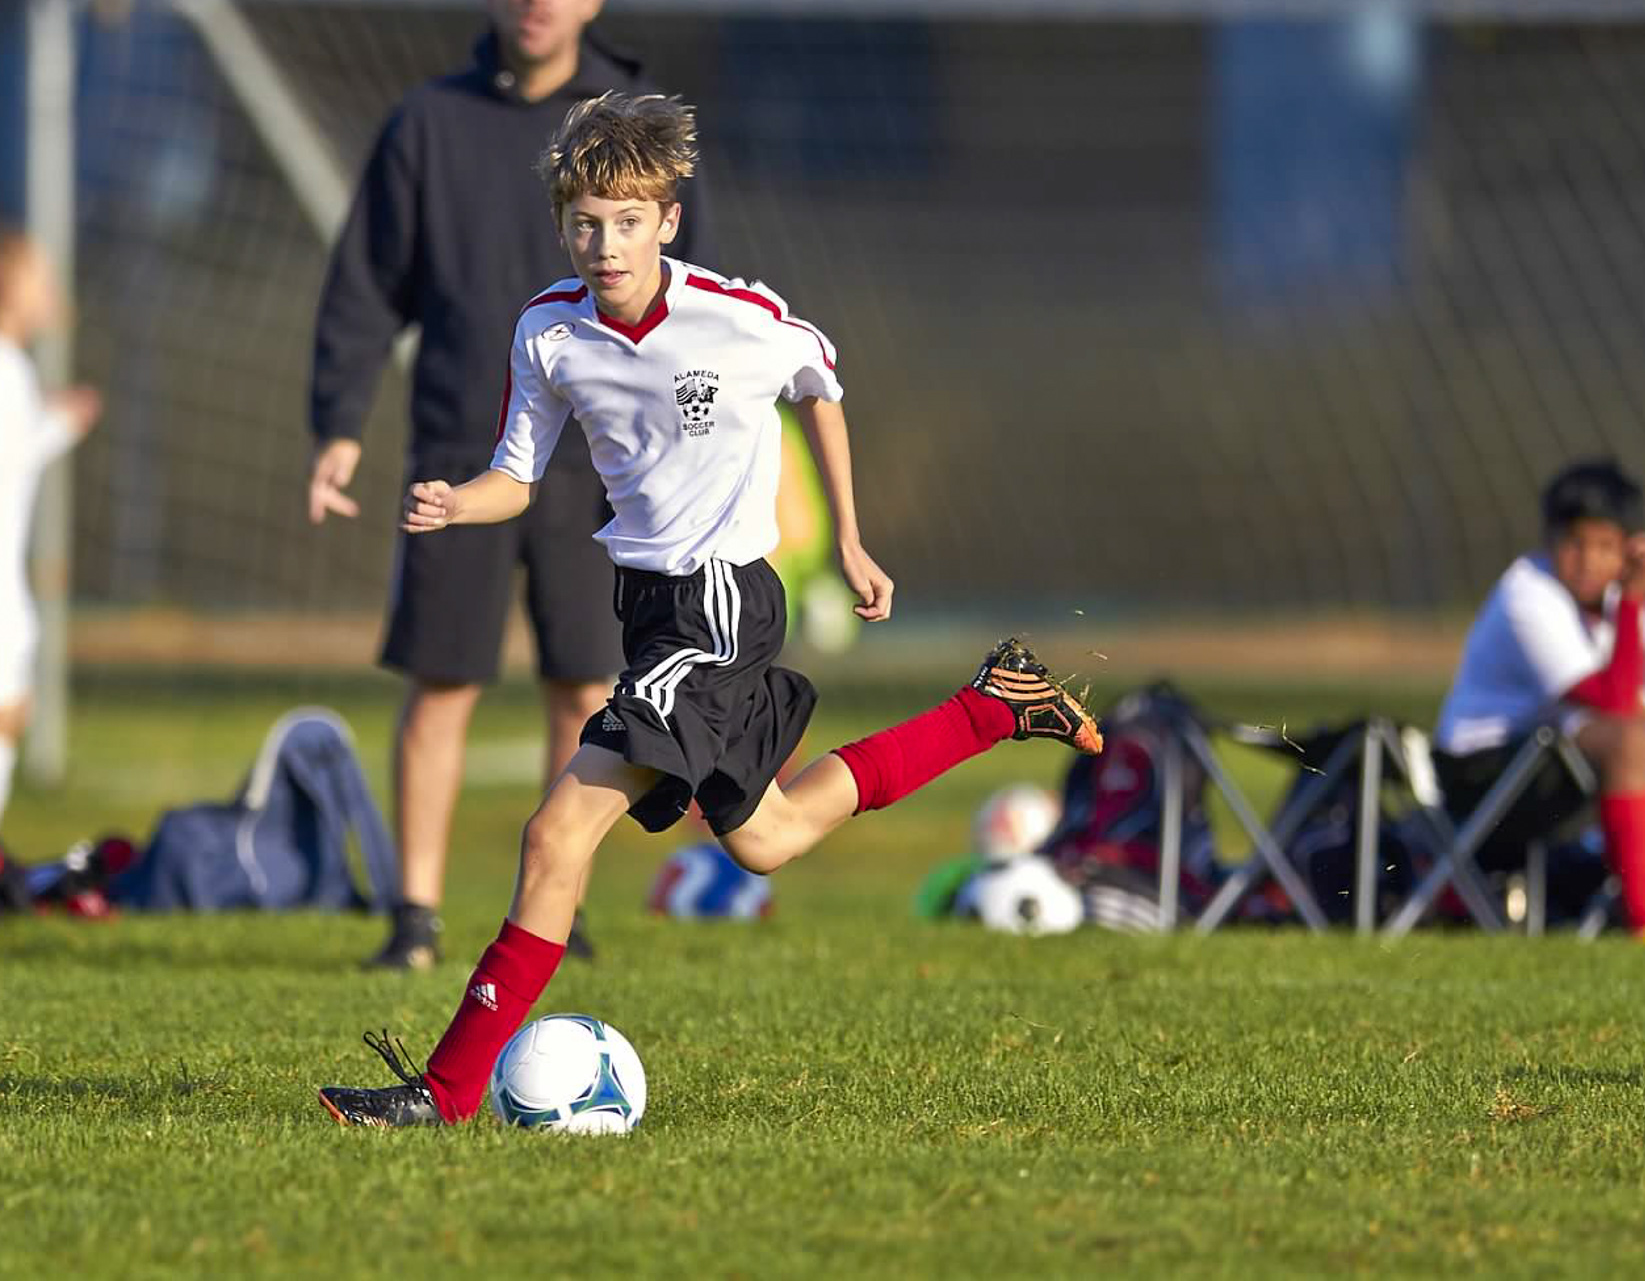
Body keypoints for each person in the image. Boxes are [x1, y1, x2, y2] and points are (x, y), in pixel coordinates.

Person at [316, 93, 1102, 1126]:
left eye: (628, 221)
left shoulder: (734, 317)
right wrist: (459, 500)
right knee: (767, 839)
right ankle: (991, 707)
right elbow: (518, 472)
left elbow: (820, 382)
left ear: (667, 222)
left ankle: (446, 1092)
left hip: (721, 603)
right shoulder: (547, 333)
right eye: (587, 223)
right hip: (648, 608)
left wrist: (853, 539)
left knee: (557, 835)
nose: (606, 243)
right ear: (564, 225)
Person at [307, 0, 704, 969]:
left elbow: (687, 305)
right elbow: (363, 286)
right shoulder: (427, 124)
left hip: (602, 467)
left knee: (585, 684)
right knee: (441, 684)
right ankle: (415, 919)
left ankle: (554, 908)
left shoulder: (627, 130)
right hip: (460, 452)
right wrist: (336, 423)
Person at [1434, 460, 1645, 937]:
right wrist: (1633, 603)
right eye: (1574, 543)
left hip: (1566, 764)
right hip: (1484, 775)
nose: (1588, 560)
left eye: (1606, 546)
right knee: (1629, 740)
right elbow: (1615, 699)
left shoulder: (1619, 597)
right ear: (1549, 541)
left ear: (1628, 549)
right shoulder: (1528, 591)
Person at [0, 233, 100, 829]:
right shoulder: (8, 368)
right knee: (10, 712)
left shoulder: (14, 371)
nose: (53, 291)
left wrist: (54, 418)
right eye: (41, 279)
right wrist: (60, 421)